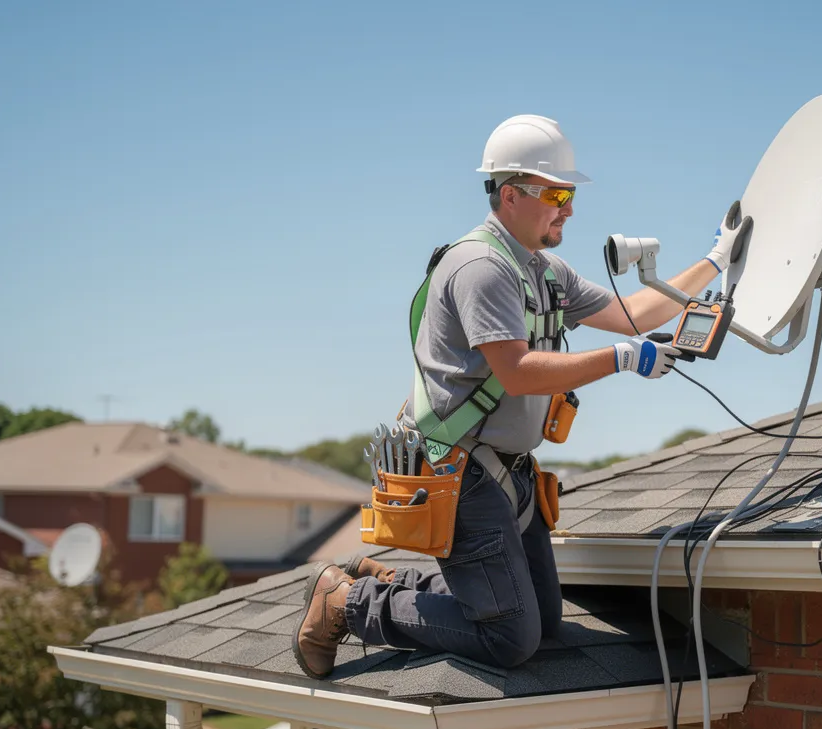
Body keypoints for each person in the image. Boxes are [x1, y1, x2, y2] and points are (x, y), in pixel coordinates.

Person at [294, 114, 751, 678]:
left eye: (570, 194)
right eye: (557, 193)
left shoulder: (544, 269)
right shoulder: (480, 267)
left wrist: (715, 260)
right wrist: (622, 360)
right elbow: (516, 372)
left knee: (546, 619)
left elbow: (633, 314)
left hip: (508, 472)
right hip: (461, 471)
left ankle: (387, 582)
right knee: (512, 637)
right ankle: (347, 603)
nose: (570, 208)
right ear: (510, 195)